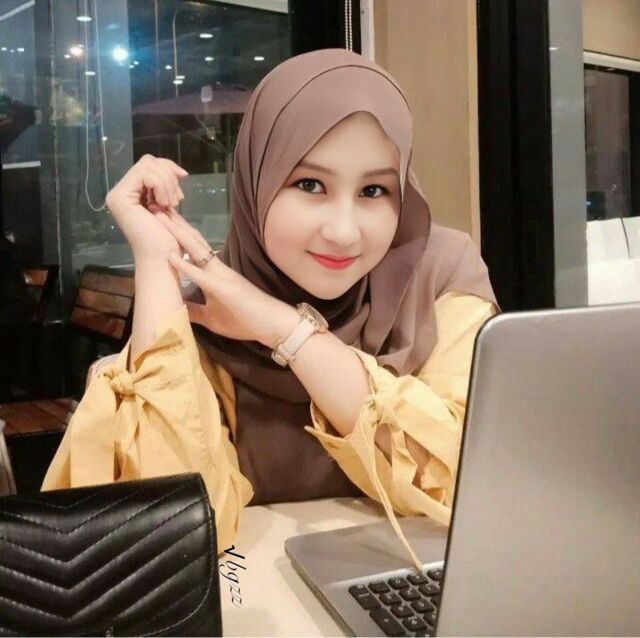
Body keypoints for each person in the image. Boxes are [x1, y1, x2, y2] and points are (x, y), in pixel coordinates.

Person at [42, 48, 498, 569]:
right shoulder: (208, 312)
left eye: (373, 190)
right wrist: (155, 260)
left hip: (419, 590)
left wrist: (284, 328)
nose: (343, 231)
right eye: (310, 185)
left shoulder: (440, 274)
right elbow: (161, 535)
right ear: (256, 181)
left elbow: (471, 476)